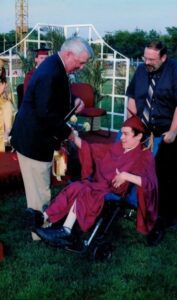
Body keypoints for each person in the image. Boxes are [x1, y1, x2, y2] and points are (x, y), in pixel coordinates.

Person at [25, 115, 158, 246]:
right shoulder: (119, 147)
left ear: (139, 136)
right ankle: (43, 217)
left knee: (85, 191)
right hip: (100, 184)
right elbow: (94, 150)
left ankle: (66, 231)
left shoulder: (144, 156)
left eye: (126, 134)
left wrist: (126, 176)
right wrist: (73, 137)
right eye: (121, 133)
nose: (121, 137)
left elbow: (149, 183)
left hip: (113, 191)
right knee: (75, 186)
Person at [10, 36, 94, 240]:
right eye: (80, 62)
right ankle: (42, 232)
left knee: (38, 187)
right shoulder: (51, 72)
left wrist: (74, 100)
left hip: (35, 137)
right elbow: (46, 113)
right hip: (33, 141)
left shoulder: (56, 66)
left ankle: (41, 224)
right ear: (68, 54)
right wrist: (70, 134)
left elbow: (53, 98)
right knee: (40, 190)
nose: (81, 67)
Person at [126, 40, 177, 233]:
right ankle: (154, 208)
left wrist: (173, 132)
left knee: (175, 172)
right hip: (152, 129)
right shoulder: (142, 70)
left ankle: (176, 215)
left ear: (164, 57)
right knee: (153, 169)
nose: (147, 62)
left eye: (152, 59)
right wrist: (134, 125)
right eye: (145, 57)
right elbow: (132, 97)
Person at [0, 58, 15, 151]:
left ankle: (6, 136)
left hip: (4, 106)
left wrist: (3, 93)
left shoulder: (6, 83)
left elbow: (10, 99)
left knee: (7, 106)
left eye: (0, 69)